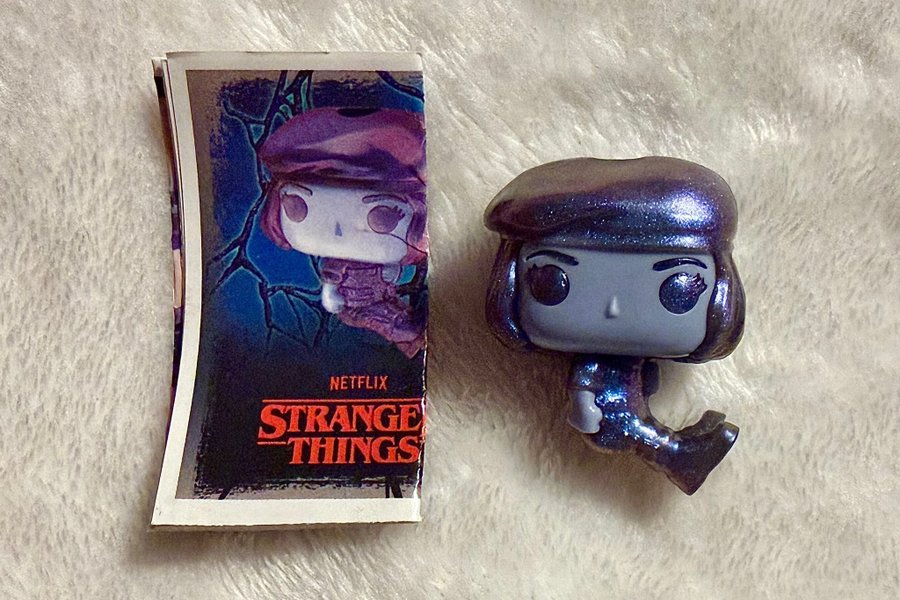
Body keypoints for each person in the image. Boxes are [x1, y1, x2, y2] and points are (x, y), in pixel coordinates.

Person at [484, 156, 746, 494]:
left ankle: (684, 458)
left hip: (624, 415)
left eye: (677, 286)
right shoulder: (593, 364)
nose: (614, 308)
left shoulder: (618, 359)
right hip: (612, 422)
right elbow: (583, 392)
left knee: (647, 434)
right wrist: (586, 412)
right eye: (553, 280)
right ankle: (683, 459)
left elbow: (640, 378)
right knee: (647, 437)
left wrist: (642, 383)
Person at [260, 107, 427, 357]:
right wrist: (331, 297)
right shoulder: (337, 264)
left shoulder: (389, 252)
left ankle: (408, 347)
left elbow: (390, 273)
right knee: (390, 325)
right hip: (354, 309)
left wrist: (390, 272)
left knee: (397, 323)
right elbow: (331, 283)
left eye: (382, 214)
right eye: (298, 206)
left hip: (381, 299)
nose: (338, 230)